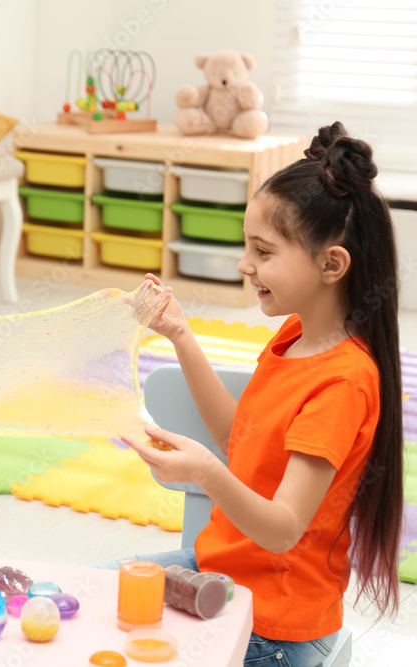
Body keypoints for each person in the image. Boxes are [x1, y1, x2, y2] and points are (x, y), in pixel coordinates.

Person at [118, 123, 404, 666]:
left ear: (331, 264)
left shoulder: (343, 381)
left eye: (263, 251)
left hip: (275, 626)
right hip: (220, 575)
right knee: (83, 602)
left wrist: (205, 473)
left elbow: (282, 530)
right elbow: (239, 438)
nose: (245, 264)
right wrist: (179, 333)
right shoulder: (293, 337)